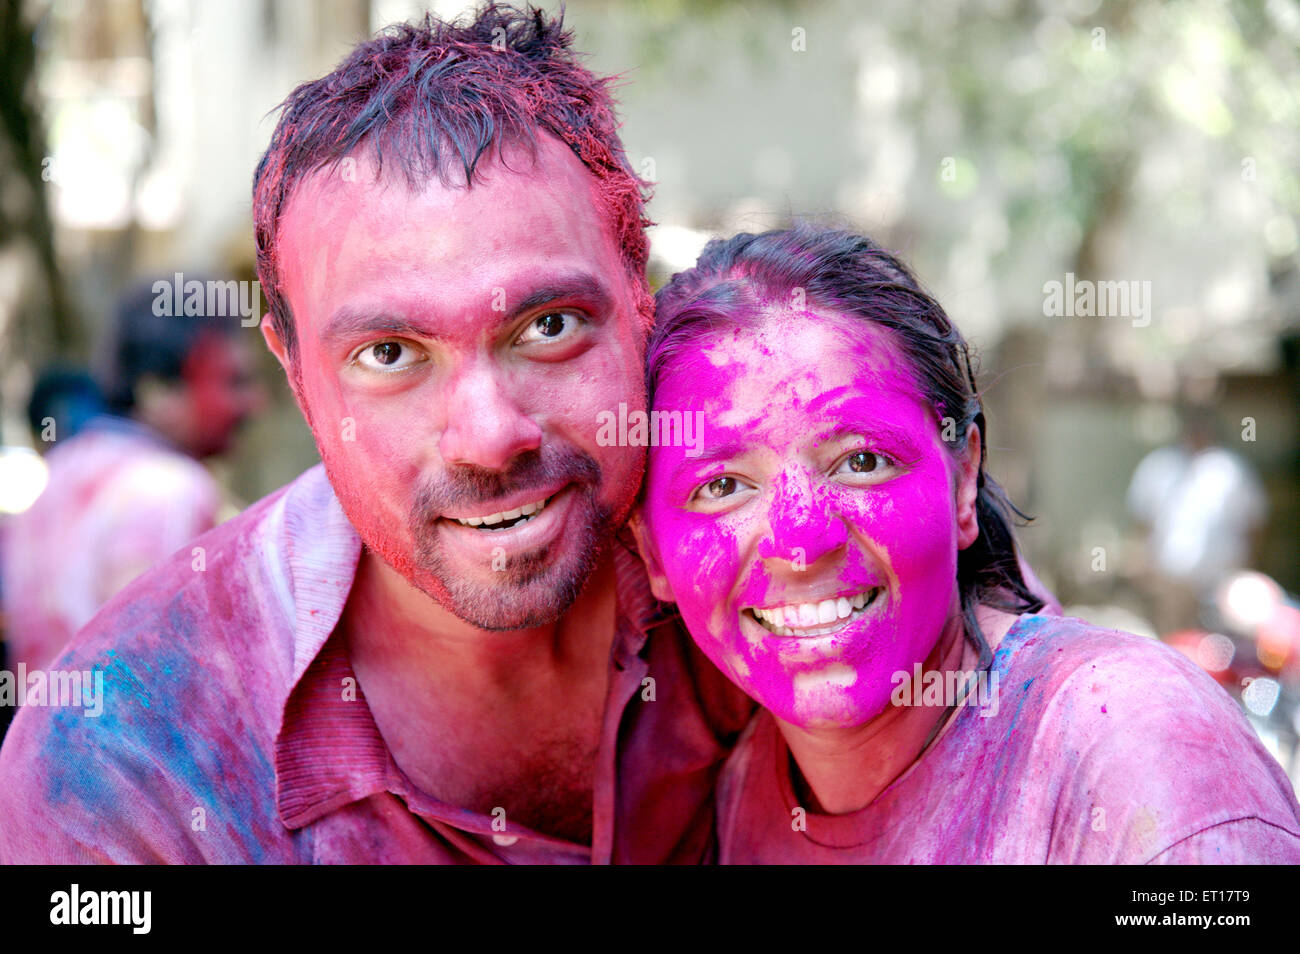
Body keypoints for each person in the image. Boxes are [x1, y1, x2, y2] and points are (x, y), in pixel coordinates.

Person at [0, 5, 752, 863]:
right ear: (291, 368)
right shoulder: (125, 766)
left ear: (641, 295)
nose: (488, 436)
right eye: (390, 353)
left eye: (549, 326)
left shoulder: (778, 578)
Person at [633, 224, 1300, 863]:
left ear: (962, 481)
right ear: (653, 553)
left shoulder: (1137, 746)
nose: (801, 541)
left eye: (862, 461)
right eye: (721, 486)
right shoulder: (739, 796)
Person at [0, 281, 260, 674]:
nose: (252, 403)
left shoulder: (60, 471)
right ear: (157, 391)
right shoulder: (173, 488)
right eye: (232, 381)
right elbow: (161, 675)